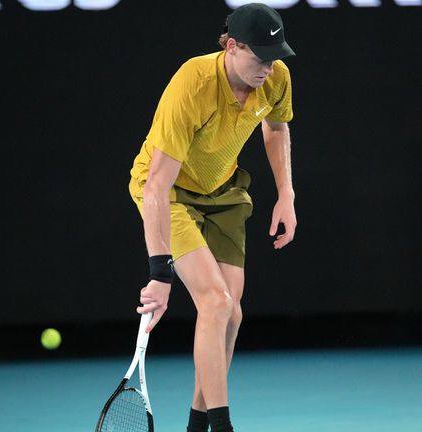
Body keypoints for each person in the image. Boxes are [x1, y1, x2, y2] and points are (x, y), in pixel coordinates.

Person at [128, 3, 297, 431]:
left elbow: (276, 128)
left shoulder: (275, 77)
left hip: (223, 191)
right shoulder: (193, 83)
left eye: (274, 56)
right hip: (172, 194)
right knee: (215, 302)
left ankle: (196, 426)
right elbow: (156, 187)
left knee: (231, 313)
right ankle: (222, 426)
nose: (267, 66)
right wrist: (159, 275)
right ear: (232, 46)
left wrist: (286, 194)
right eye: (259, 56)